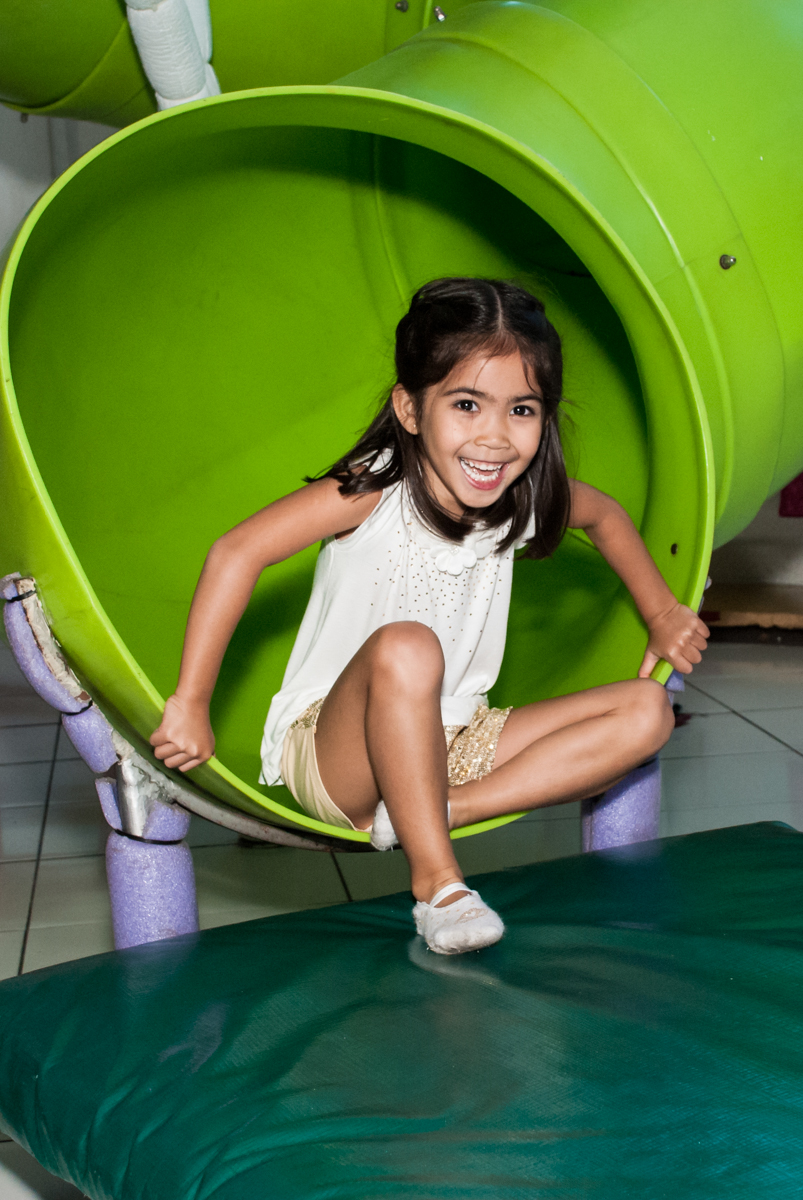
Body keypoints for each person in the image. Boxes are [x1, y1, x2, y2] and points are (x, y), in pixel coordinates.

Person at [150, 277, 708, 956]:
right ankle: (437, 883)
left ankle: (437, 814)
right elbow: (236, 552)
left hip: (453, 745)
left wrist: (659, 612)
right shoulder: (375, 487)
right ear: (410, 409)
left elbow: (608, 517)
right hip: (335, 750)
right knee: (408, 646)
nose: (495, 438)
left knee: (644, 714)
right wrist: (191, 701)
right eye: (467, 404)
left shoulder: (518, 499)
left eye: (522, 410)